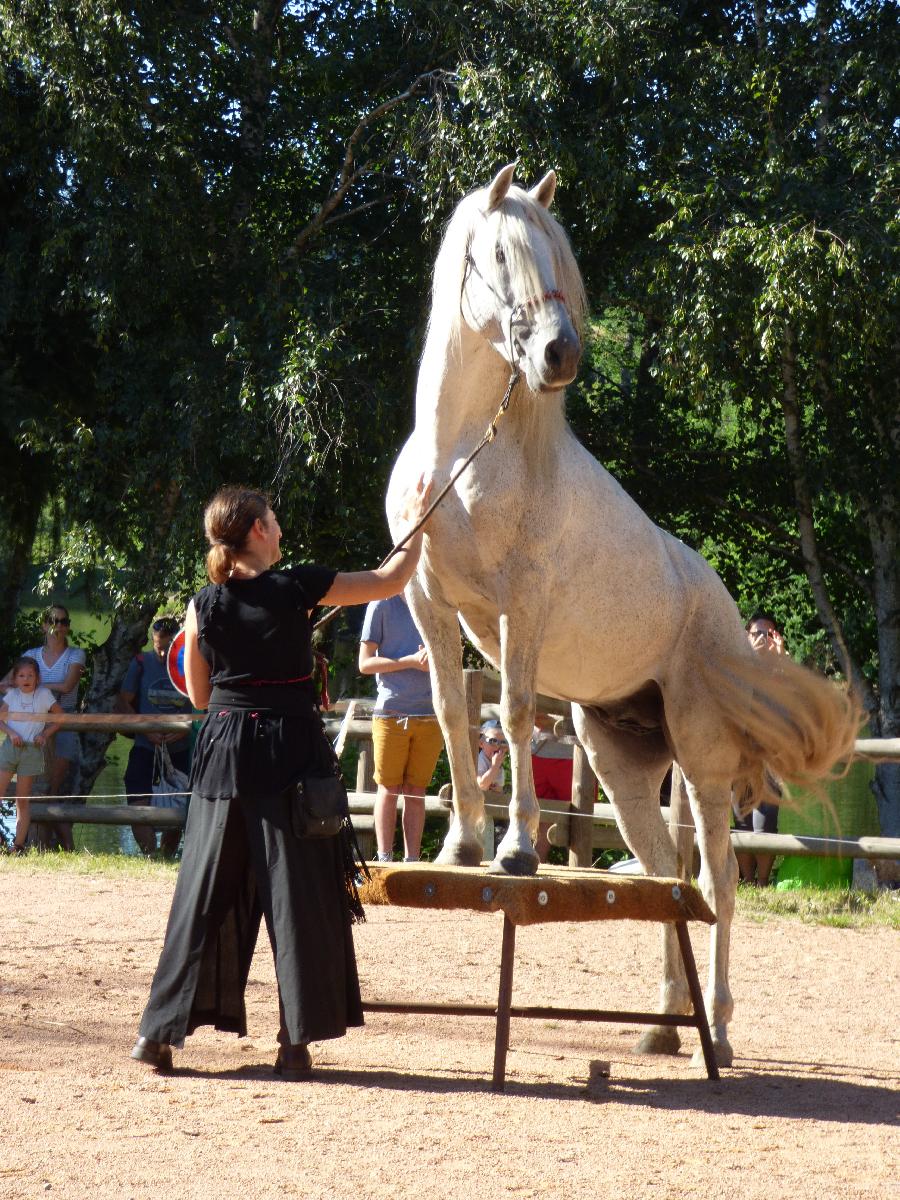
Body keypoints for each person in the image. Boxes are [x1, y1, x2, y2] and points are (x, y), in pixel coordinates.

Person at [131, 479, 432, 1078]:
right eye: (274, 518)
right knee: (298, 894)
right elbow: (391, 580)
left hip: (221, 751)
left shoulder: (202, 604)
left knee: (201, 894)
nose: (282, 526)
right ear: (260, 531)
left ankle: (156, 1037)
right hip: (289, 751)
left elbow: (197, 693)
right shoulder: (299, 586)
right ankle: (294, 1044)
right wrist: (420, 519)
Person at [358, 593, 444, 862]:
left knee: (417, 791)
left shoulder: (436, 602)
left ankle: (413, 861)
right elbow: (364, 663)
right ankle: (384, 858)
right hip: (390, 713)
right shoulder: (381, 604)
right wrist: (408, 661)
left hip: (430, 713)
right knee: (388, 788)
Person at [117, 617, 193, 857]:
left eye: (168, 647)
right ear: (153, 640)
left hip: (180, 748)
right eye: (160, 647)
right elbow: (124, 701)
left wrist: (184, 727)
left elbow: (201, 703)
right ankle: (151, 856)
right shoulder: (140, 663)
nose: (163, 654)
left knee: (181, 803)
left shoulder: (188, 663)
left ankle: (167, 854)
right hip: (144, 746)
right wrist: (144, 729)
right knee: (137, 801)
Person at [14, 605, 86, 851]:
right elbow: (8, 683)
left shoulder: (76, 655)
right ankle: (32, 844)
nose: (60, 626)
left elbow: (67, 687)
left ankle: (64, 846)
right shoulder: (30, 654)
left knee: (51, 790)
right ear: (44, 625)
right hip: (31, 730)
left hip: (61, 726)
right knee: (31, 789)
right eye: (54, 621)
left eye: (64, 621)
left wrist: (32, 688)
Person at [733, 611, 786, 886]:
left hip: (769, 761)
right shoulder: (736, 667)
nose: (763, 640)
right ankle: (746, 880)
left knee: (764, 826)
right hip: (739, 759)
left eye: (768, 634)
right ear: (746, 636)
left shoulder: (780, 670)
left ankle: (763, 883)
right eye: (757, 634)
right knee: (741, 823)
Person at [0, 657, 63, 853]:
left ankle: (17, 846)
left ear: (37, 678)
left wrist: (44, 734)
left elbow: (60, 718)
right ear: (15, 679)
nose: (26, 679)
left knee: (22, 800)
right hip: (11, 746)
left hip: (31, 750)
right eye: (21, 675)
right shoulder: (12, 696)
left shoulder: (44, 694)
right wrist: (11, 733)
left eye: (30, 675)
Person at [477, 719, 507, 793]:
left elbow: (500, 790)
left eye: (503, 742)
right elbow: (482, 785)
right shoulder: (479, 760)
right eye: (493, 741)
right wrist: (494, 766)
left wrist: (497, 789)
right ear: (481, 743)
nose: (498, 746)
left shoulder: (499, 765)